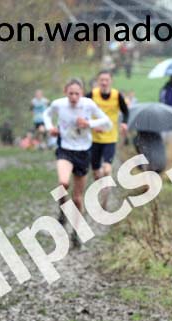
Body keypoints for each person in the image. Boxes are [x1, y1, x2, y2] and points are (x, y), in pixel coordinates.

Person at [43, 78, 111, 248]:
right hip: (65, 149)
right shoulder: (58, 104)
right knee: (63, 183)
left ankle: (75, 232)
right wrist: (49, 127)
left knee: (78, 199)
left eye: (77, 94)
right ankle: (62, 210)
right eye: (70, 93)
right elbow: (46, 114)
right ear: (66, 92)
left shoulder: (88, 105)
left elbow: (107, 122)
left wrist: (89, 123)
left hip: (83, 151)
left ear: (81, 93)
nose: (74, 97)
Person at [86, 71, 130, 208]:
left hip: (110, 137)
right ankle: (101, 188)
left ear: (111, 81)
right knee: (96, 172)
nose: (104, 82)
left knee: (106, 169)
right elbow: (81, 110)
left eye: (107, 80)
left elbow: (125, 111)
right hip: (94, 138)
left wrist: (124, 123)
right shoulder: (92, 95)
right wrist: (91, 125)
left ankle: (105, 197)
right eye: (102, 80)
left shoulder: (117, 96)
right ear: (98, 81)